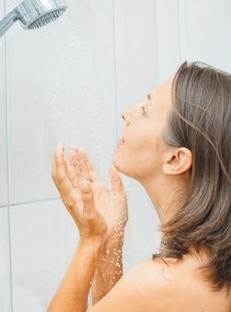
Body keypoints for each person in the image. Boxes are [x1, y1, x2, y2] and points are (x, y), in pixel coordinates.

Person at [47, 61, 231, 312]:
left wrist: (89, 240)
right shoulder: (208, 267)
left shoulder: (163, 281)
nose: (126, 112)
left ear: (175, 159)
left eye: (145, 110)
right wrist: (109, 241)